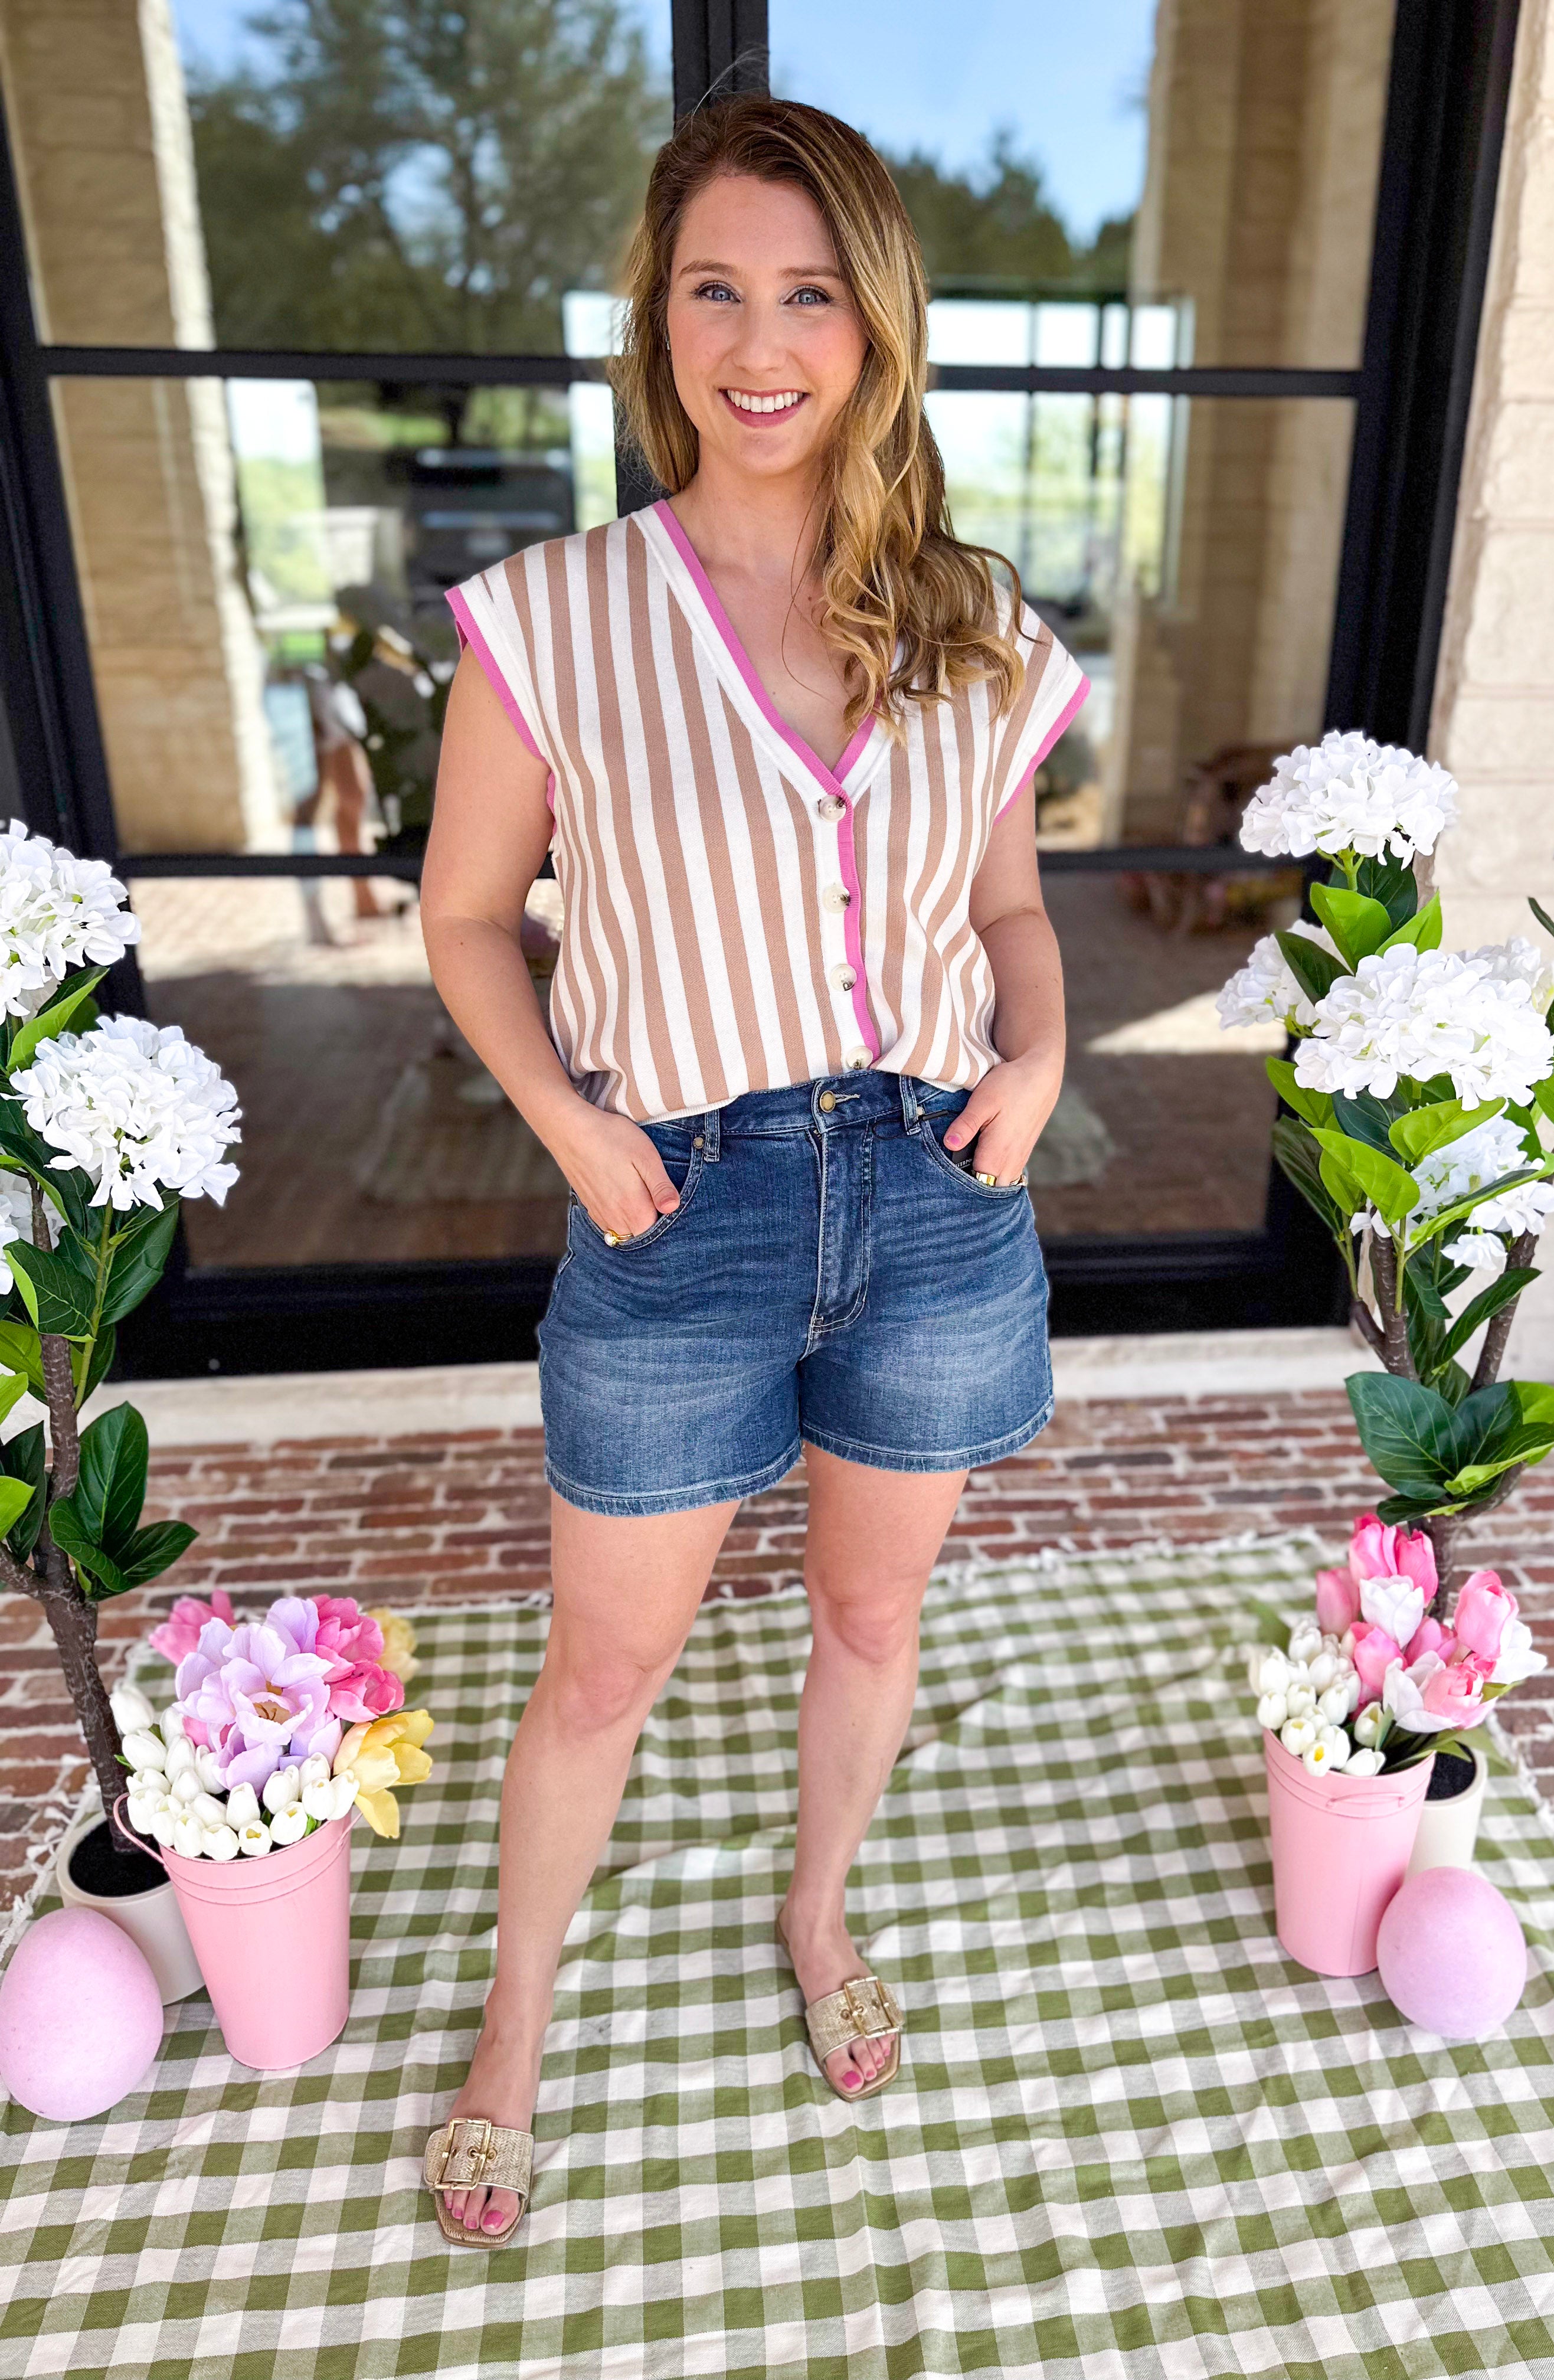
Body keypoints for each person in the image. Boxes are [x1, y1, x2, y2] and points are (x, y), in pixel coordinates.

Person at [417, 95, 1087, 2248]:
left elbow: (1008, 913)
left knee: (873, 1612)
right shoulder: (554, 618)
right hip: (676, 1202)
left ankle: (817, 1914)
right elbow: (465, 917)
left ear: (875, 326)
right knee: (604, 1672)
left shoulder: (975, 622)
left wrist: (1045, 1054)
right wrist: (573, 1125)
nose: (761, 340)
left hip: (935, 1196)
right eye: (716, 288)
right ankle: (516, 2019)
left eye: (809, 293)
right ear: (660, 320)